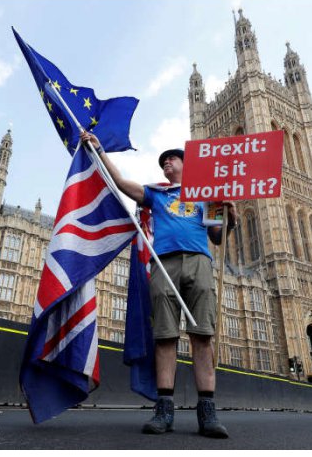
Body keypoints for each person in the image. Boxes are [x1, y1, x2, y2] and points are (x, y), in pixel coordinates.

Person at [81, 131, 237, 439]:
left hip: (199, 261)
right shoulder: (157, 193)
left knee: (202, 337)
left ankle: (207, 412)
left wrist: (230, 216)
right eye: (163, 160)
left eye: (172, 158)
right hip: (164, 263)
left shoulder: (208, 195)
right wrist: (100, 151)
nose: (166, 162)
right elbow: (124, 186)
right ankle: (164, 409)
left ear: (186, 164)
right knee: (165, 337)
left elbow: (218, 237)